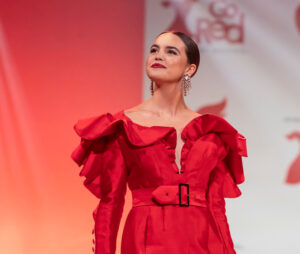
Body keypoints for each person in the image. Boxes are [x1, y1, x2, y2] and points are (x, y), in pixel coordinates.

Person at [71, 31, 248, 254]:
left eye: (170, 51)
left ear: (189, 69)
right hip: (145, 241)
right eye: (154, 50)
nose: (158, 56)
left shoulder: (213, 132)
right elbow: (110, 204)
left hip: (204, 243)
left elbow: (217, 208)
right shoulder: (123, 126)